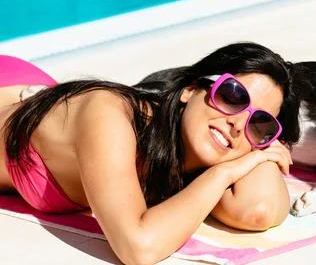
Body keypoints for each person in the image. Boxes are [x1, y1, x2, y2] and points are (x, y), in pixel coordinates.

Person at [0, 42, 300, 265]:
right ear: (190, 89)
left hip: (40, 101)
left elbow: (257, 210)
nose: (238, 122)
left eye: (260, 123)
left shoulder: (199, 147)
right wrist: (226, 172)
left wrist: (256, 151)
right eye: (232, 96)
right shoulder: (109, 116)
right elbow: (138, 248)